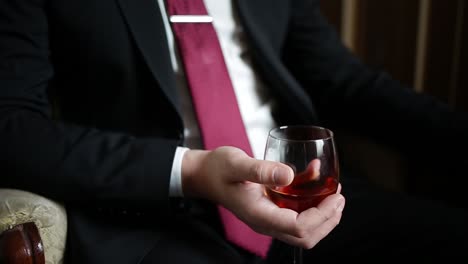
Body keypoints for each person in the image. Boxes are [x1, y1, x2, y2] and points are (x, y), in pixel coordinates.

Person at [0, 0, 466, 263]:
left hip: (300, 195)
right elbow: (13, 128)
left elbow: (347, 83)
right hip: (148, 212)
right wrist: (195, 171)